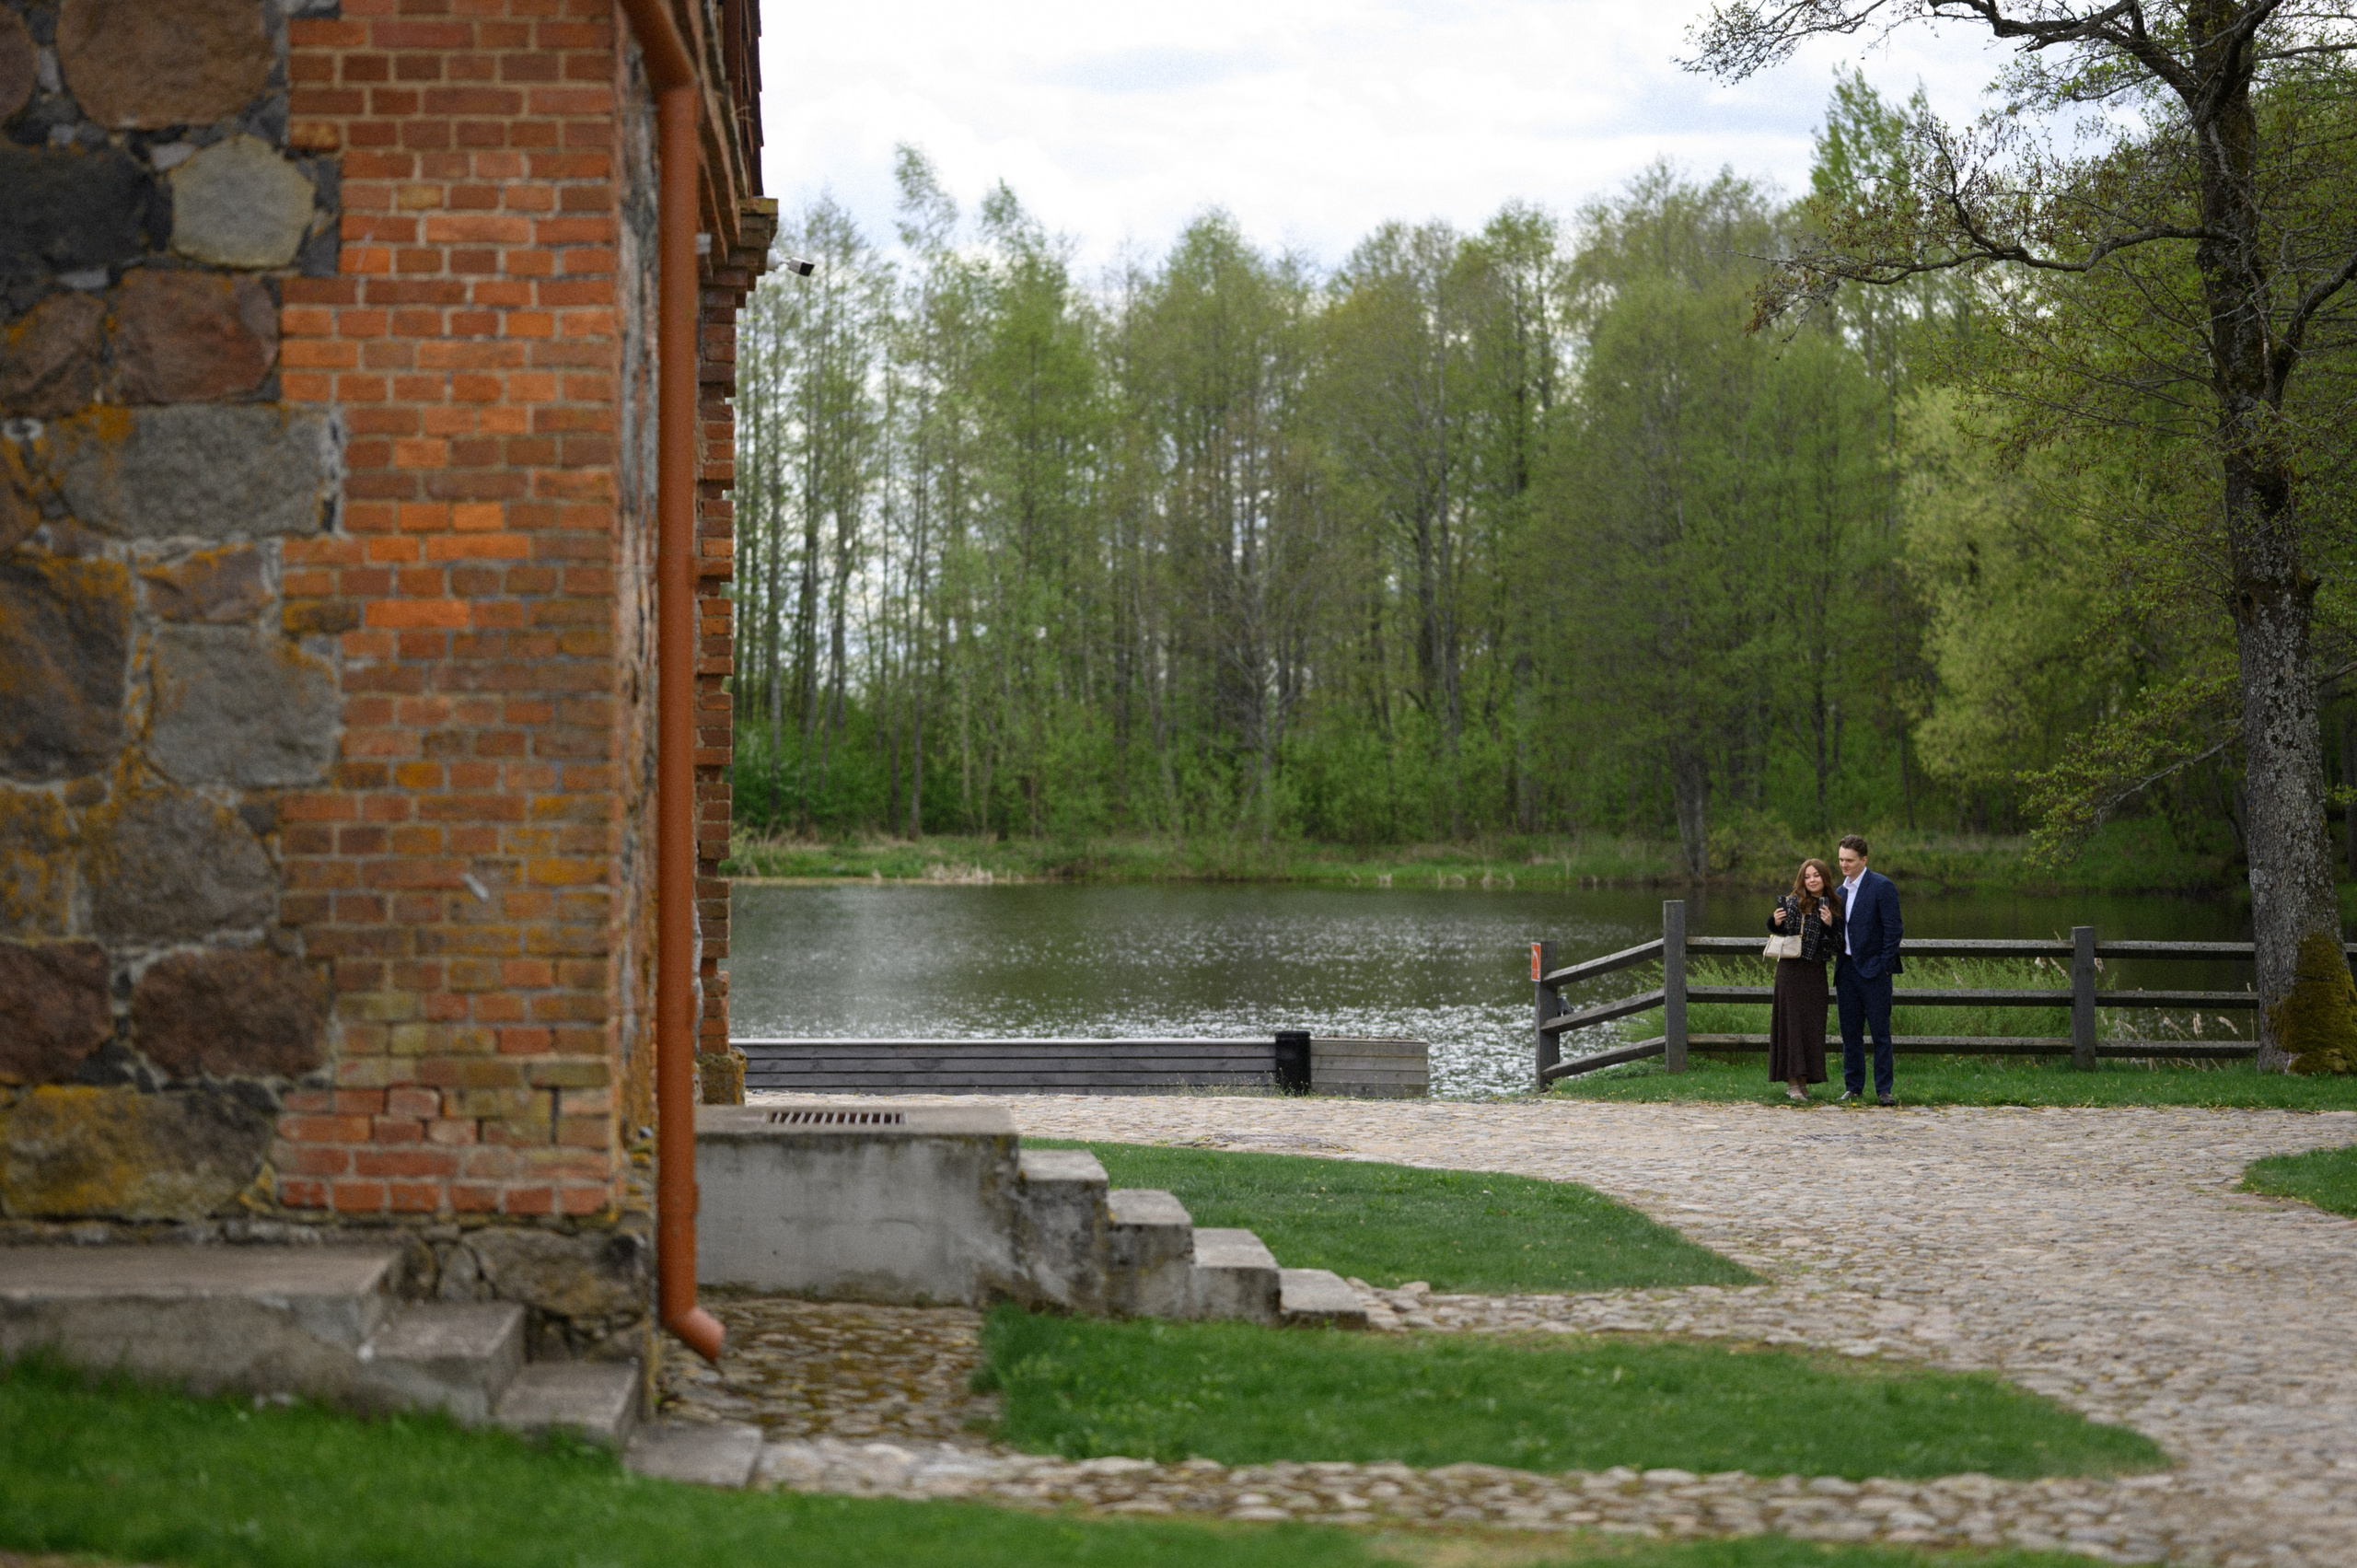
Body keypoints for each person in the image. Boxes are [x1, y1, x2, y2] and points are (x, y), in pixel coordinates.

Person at [1831, 834, 1903, 1105]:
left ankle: (1884, 1089)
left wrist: (1884, 966)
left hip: (1875, 972)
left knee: (1880, 1033)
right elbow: (1840, 934)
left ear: (1864, 859)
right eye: (1840, 860)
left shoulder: (1882, 886)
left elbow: (1894, 929)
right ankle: (1853, 1087)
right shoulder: (1838, 893)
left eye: (1849, 860)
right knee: (1850, 1033)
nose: (1844, 865)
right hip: (1847, 970)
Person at [1766, 857, 1840, 1101]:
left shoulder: (1834, 904)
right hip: (1790, 973)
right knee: (1791, 1027)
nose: (1811, 880)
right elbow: (1780, 933)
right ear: (1802, 879)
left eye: (1816, 876)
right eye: (1807, 876)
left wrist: (1831, 924)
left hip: (1815, 974)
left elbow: (1837, 946)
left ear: (1824, 877)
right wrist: (1774, 923)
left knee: (1811, 1027)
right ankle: (1792, 1084)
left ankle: (1805, 1081)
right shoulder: (1791, 902)